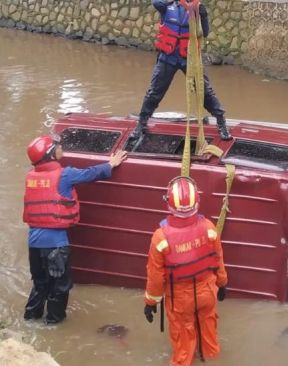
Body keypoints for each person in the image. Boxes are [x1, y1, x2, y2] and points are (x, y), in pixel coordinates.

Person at [23, 135, 127, 324]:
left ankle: (30, 319)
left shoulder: (31, 177)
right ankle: (53, 324)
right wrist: (111, 163)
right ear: (51, 154)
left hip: (34, 244)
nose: (61, 147)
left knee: (39, 285)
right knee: (59, 288)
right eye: (57, 146)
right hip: (56, 246)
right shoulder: (65, 175)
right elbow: (90, 174)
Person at [143, 175, 228, 366]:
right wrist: (222, 284)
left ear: (169, 203)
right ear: (197, 201)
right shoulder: (209, 228)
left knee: (183, 344)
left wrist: (150, 303)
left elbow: (155, 278)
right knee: (209, 337)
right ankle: (213, 359)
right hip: (207, 291)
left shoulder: (160, 237)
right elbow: (218, 260)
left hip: (180, 298)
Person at [131, 0, 232, 142]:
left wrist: (202, 15)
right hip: (168, 57)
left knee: (205, 91)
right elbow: (155, 3)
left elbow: (206, 32)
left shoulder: (197, 8)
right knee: (154, 92)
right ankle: (141, 123)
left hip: (190, 58)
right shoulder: (167, 6)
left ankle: (221, 122)